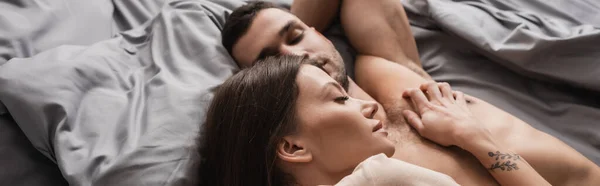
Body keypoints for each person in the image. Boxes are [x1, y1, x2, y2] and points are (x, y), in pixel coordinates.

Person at [216, 1, 600, 185]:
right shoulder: (336, 162)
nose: (295, 55)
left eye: (296, 36)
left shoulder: (388, 74)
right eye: (270, 61)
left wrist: (296, 27)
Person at [194, 55, 552, 185]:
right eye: (339, 98)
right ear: (292, 146)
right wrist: (477, 139)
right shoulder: (381, 176)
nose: (365, 106)